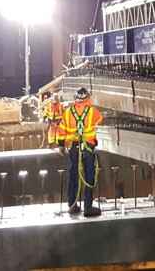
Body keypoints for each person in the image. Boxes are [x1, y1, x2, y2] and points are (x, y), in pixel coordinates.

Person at [60, 87, 103, 217]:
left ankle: (72, 205)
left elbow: (62, 129)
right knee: (89, 175)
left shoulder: (67, 112)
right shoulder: (93, 112)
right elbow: (100, 124)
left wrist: (61, 145)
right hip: (88, 148)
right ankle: (88, 207)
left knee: (73, 175)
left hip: (74, 147)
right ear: (88, 98)